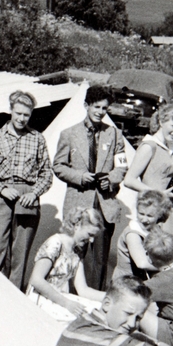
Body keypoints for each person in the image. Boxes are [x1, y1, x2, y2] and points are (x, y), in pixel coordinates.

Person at [0, 90, 54, 290]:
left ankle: (13, 299)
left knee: (20, 255)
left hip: (26, 200)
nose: (21, 118)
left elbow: (46, 173)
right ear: (11, 111)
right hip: (0, 198)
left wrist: (34, 193)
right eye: (18, 113)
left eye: (26, 115)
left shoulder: (37, 139)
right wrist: (2, 189)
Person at [53, 85, 128, 289]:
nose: (100, 112)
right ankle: (66, 293)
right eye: (96, 107)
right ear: (86, 105)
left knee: (100, 259)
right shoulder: (69, 134)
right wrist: (80, 176)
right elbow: (58, 166)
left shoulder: (113, 134)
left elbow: (122, 166)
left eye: (104, 108)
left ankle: (94, 298)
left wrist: (110, 179)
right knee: (73, 251)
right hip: (79, 203)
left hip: (104, 205)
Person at [123, 102, 173, 247]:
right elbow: (129, 180)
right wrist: (159, 193)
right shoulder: (149, 146)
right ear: (161, 121)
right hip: (153, 209)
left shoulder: (171, 146)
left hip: (172, 209)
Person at [26, 207, 108, 322]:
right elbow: (36, 280)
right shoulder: (55, 243)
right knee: (81, 320)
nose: (91, 241)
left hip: (61, 299)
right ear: (77, 225)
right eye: (90, 234)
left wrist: (112, 297)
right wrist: (66, 303)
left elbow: (83, 290)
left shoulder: (77, 251)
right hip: (42, 298)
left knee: (98, 312)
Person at [115, 190, 173, 281]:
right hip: (126, 280)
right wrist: (166, 269)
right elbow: (141, 263)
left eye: (150, 216)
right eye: (141, 214)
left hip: (142, 279)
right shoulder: (133, 233)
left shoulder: (155, 229)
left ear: (160, 215)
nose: (144, 219)